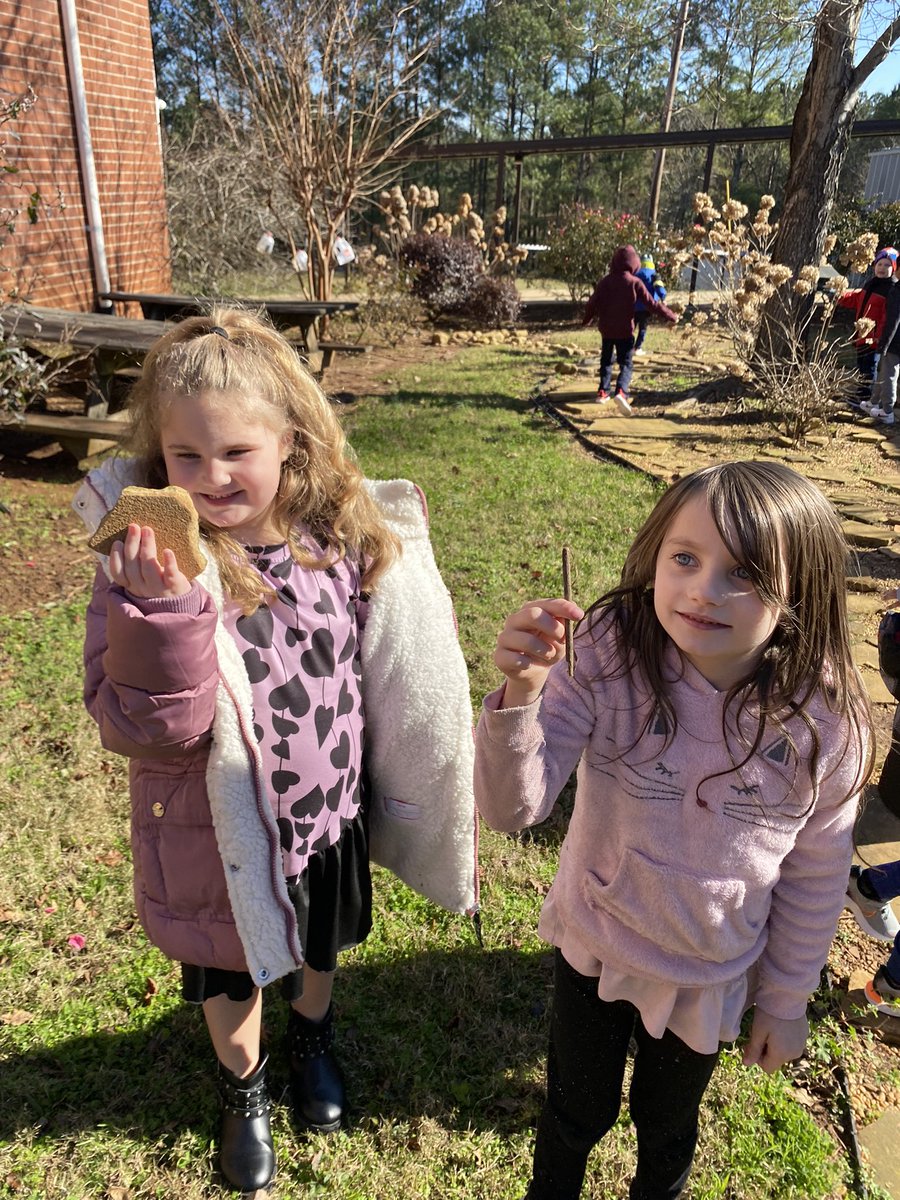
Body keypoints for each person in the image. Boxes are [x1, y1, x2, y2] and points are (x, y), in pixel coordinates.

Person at [73, 308, 478, 1193]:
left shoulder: (333, 544)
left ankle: (316, 1035)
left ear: (289, 443)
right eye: (186, 458)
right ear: (159, 459)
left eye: (235, 454)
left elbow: (395, 660)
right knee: (230, 962)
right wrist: (163, 611)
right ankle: (244, 1085)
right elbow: (137, 722)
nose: (211, 478)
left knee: (319, 946)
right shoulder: (150, 568)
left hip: (326, 814)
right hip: (216, 831)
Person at [474, 460, 872, 1200]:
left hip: (707, 974)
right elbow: (513, 810)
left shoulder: (823, 725)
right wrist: (520, 695)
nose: (702, 589)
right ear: (655, 555)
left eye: (743, 572)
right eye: (684, 558)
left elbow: (817, 874)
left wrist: (784, 1003)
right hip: (598, 944)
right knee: (574, 1114)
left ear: (798, 594)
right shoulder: (608, 653)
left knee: (666, 1132)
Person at [582, 244, 678, 416]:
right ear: (634, 263)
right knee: (626, 363)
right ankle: (621, 392)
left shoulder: (605, 281)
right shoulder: (635, 283)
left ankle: (603, 392)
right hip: (625, 331)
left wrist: (586, 320)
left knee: (606, 361)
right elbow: (652, 304)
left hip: (607, 330)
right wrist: (670, 315)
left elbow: (593, 303)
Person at [836, 246, 897, 407]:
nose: (882, 268)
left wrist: (879, 336)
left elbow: (887, 317)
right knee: (861, 365)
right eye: (879, 264)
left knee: (870, 368)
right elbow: (858, 299)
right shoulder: (870, 284)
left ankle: (865, 397)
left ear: (894, 268)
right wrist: (842, 296)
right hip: (861, 334)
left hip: (874, 338)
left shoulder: (891, 289)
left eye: (887, 265)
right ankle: (863, 395)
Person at [863, 275, 900, 426]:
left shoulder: (896, 290)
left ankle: (887, 411)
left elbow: (894, 318)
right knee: (883, 370)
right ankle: (873, 402)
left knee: (889, 374)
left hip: (895, 339)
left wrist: (885, 341)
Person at [633, 253, 668, 355]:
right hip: (647, 306)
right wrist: (663, 297)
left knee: (632, 327)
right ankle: (637, 348)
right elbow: (659, 287)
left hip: (634, 306)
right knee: (643, 328)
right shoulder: (654, 275)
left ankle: (627, 347)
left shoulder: (635, 274)